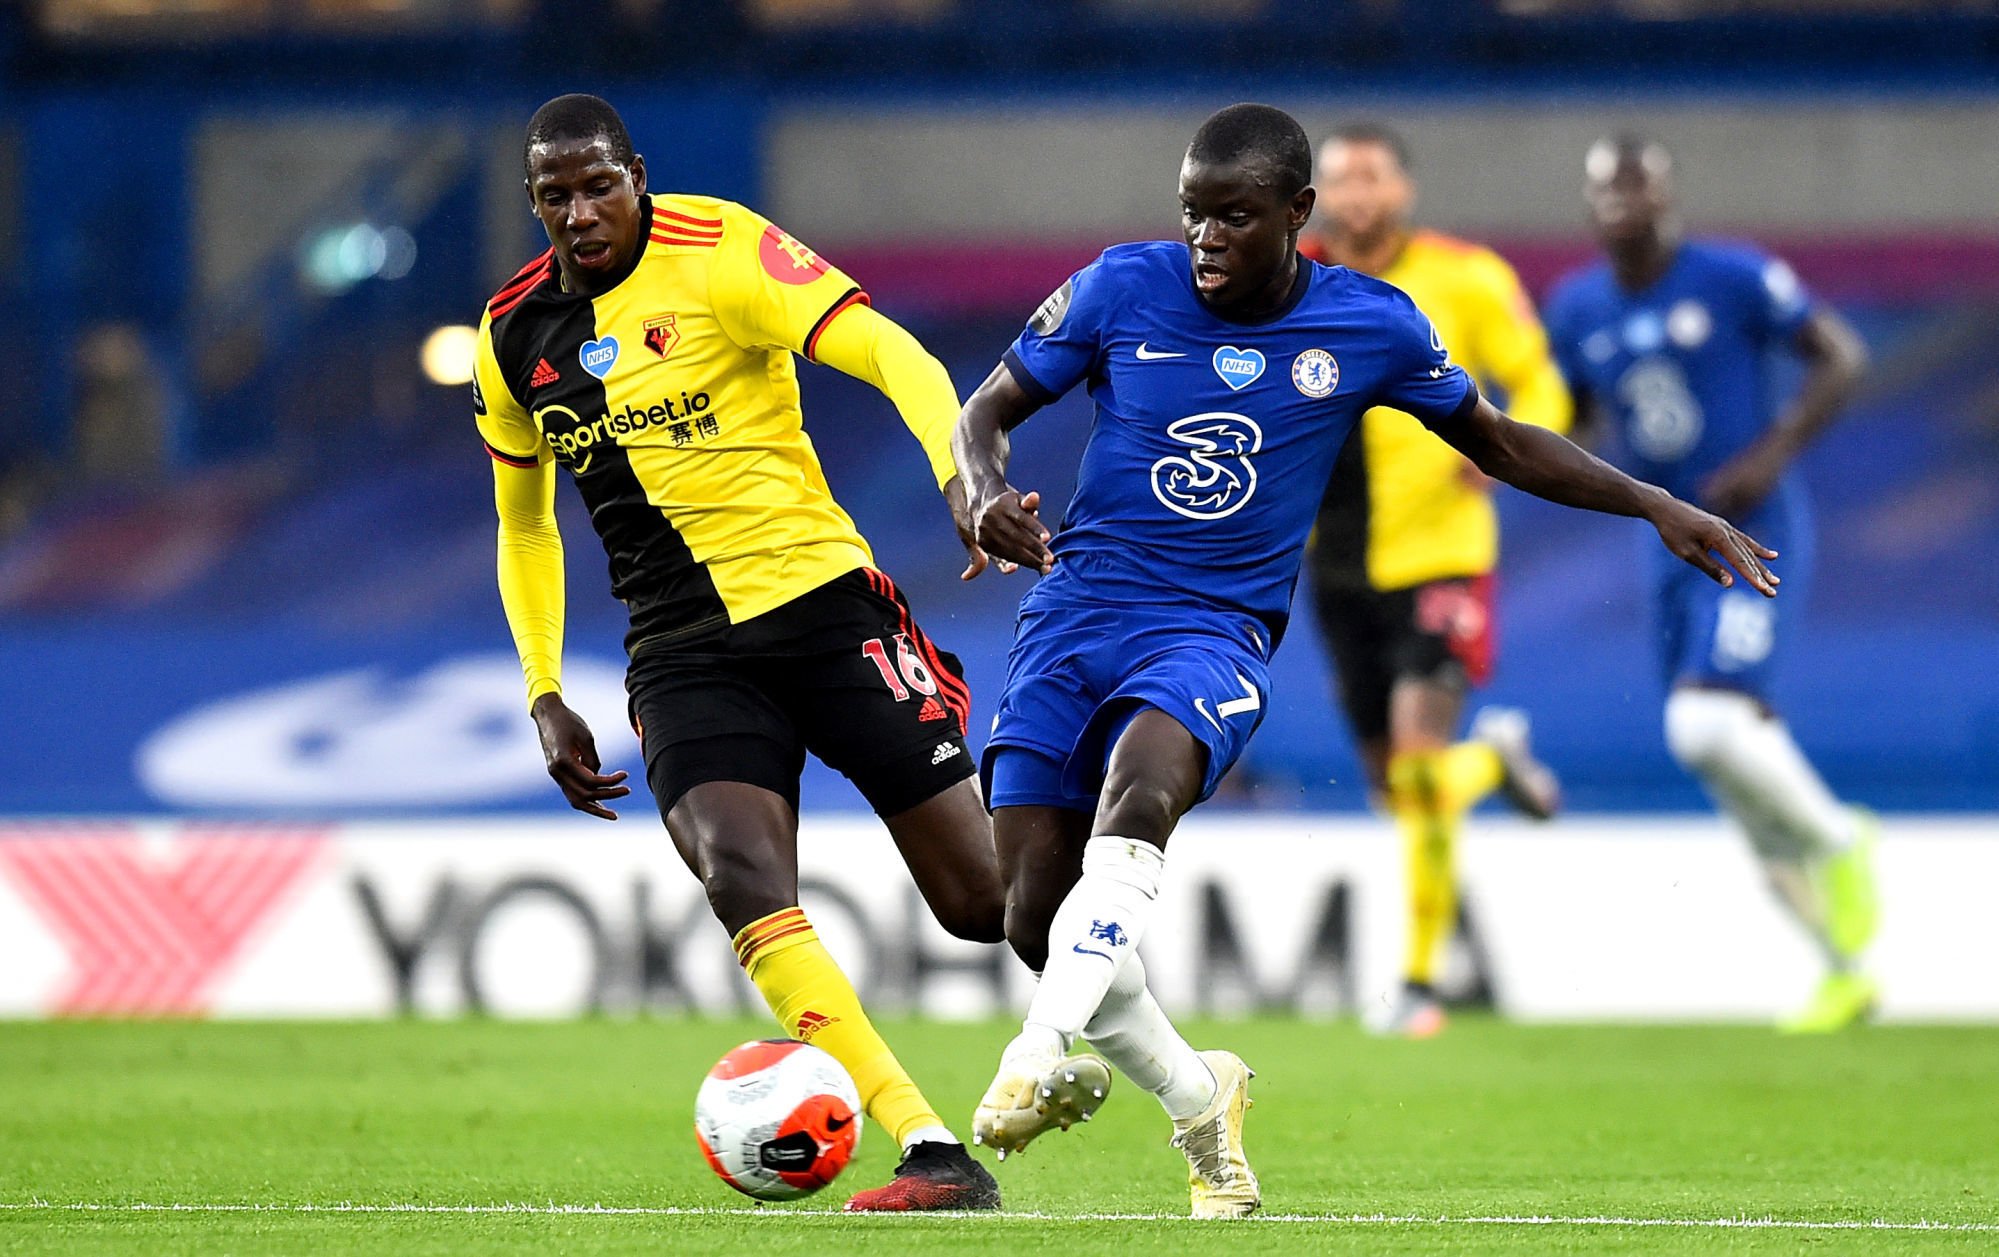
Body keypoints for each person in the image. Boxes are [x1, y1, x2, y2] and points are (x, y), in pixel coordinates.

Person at [953, 103, 1777, 1218]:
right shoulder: (1115, 288)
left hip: (1213, 629)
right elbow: (985, 413)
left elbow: (1500, 440)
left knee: (1139, 794)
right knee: (1032, 918)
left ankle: (1033, 1050)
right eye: (1192, 213)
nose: (1204, 239)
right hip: (1073, 612)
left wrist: (1652, 503)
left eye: (1233, 218)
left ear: (1295, 217)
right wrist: (984, 491)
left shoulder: (1371, 325)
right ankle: (1202, 1101)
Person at [472, 94, 1006, 1210]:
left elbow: (885, 348)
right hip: (680, 650)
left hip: (822, 606)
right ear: (533, 200)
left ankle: (1181, 1057)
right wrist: (543, 690)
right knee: (737, 873)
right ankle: (927, 1148)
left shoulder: (722, 247)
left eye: (597, 185)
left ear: (638, 175)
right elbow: (523, 523)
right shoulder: (510, 333)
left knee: (986, 903)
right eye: (553, 193)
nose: (578, 212)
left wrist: (962, 479)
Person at [1542, 134, 1878, 1033]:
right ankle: (1841, 966)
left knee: (1704, 721)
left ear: (1665, 195)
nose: (1621, 200)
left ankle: (1843, 841)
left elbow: (1840, 356)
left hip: (1752, 532)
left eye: (1636, 184)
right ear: (1588, 204)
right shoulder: (1576, 306)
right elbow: (1566, 413)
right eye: (1604, 188)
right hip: (1670, 540)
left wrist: (1769, 454)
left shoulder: (1731, 277)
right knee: (1719, 760)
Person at [1302, 123, 1574, 1037]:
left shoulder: (1467, 276)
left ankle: (1418, 984)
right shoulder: (1288, 280)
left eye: (1370, 176)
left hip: (1441, 554)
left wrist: (1501, 450)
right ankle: (1493, 761)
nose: (1354, 194)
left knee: (1416, 769)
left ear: (1403, 191)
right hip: (1332, 562)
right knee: (1395, 789)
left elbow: (1541, 387)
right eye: (1337, 178)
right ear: (1314, 196)